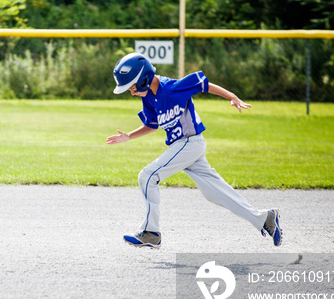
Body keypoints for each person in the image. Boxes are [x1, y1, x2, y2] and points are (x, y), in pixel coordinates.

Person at [105, 53, 282, 249]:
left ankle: (150, 232)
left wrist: (232, 97)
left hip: (190, 143)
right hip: (183, 148)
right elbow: (152, 125)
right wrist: (129, 136)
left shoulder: (172, 87)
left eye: (132, 86)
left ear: (143, 79)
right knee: (215, 193)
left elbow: (203, 84)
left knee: (148, 176)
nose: (131, 92)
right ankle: (265, 218)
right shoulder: (148, 98)